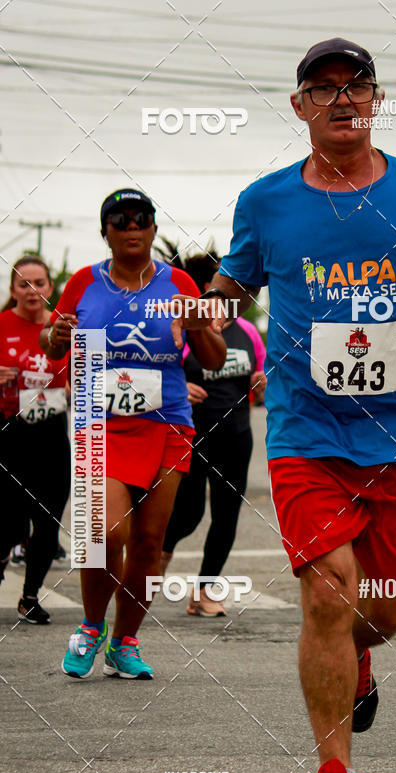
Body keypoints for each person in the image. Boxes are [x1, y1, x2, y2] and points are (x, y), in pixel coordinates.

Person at [175, 38, 396, 773]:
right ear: (301, 106)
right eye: (324, 88)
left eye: (357, 86)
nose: (342, 99)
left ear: (376, 100)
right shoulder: (267, 200)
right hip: (305, 432)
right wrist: (210, 306)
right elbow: (235, 280)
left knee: (379, 612)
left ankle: (366, 659)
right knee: (327, 593)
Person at [41, 188, 226, 679]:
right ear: (105, 231)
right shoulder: (84, 282)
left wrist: (201, 327)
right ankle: (90, 626)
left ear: (153, 228)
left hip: (167, 422)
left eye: (140, 219)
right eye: (119, 220)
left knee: (148, 542)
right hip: (99, 424)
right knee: (105, 532)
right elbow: (52, 344)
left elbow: (214, 360)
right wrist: (54, 335)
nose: (130, 227)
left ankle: (125, 642)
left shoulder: (179, 282)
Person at [158, 248, 266, 616]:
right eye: (233, 288)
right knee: (187, 513)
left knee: (227, 515)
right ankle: (153, 566)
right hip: (193, 433)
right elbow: (161, 372)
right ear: (210, 290)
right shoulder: (185, 331)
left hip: (236, 435)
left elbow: (260, 383)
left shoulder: (250, 332)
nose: (242, 296)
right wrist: (179, 389)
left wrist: (262, 384)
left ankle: (204, 592)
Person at [0, 255, 70, 624]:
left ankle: (29, 597)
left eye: (39, 283)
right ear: (12, 289)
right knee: (9, 523)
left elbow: (82, 374)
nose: (32, 291)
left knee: (48, 518)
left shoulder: (62, 329)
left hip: (51, 433)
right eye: (24, 284)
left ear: (49, 288)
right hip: (9, 433)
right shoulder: (1, 325)